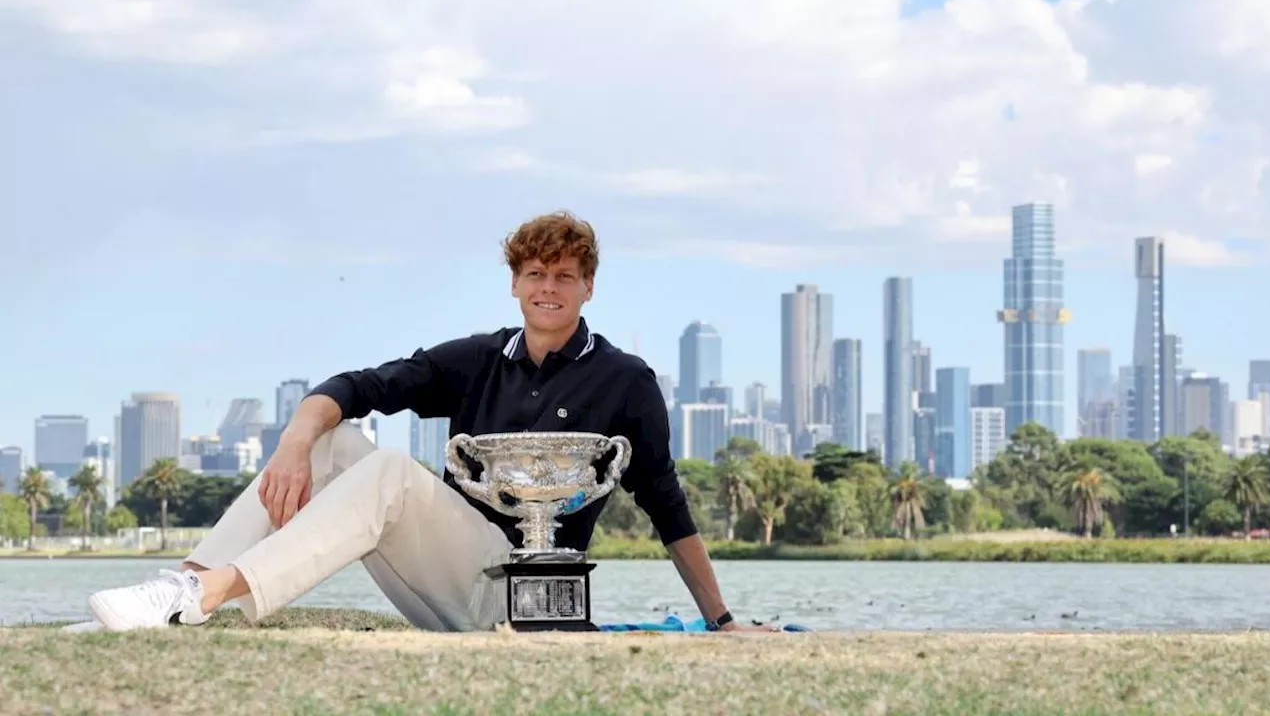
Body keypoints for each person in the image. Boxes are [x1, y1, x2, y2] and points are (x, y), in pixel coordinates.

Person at [86, 211, 773, 633]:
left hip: (511, 592)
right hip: (445, 574)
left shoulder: (625, 380)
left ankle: (205, 593)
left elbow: (667, 504)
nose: (549, 288)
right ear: (514, 282)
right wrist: (297, 441)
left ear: (589, 285)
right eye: (536, 273)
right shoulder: (476, 359)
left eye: (565, 276)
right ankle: (182, 592)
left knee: (387, 469)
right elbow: (358, 385)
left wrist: (723, 621)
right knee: (339, 439)